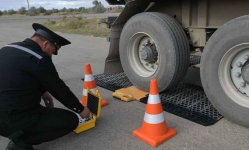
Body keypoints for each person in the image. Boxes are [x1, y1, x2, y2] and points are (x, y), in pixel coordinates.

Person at [0, 23, 90, 150]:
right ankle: (20, 143)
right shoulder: (39, 58)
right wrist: (80, 109)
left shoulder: (8, 48)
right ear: (46, 44)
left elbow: (21, 76)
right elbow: (58, 88)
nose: (51, 55)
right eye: (53, 51)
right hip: (12, 119)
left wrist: (43, 92)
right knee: (71, 120)